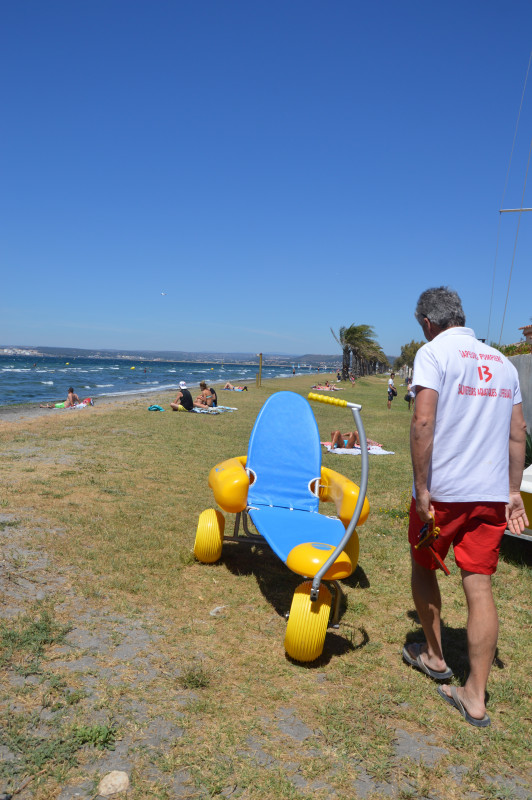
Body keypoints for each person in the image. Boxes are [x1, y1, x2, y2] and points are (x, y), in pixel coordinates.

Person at [404, 286, 528, 728]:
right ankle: (475, 695)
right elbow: (518, 433)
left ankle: (436, 657)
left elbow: (423, 420)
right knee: (479, 586)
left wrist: (423, 488)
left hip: (444, 493)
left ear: (427, 322)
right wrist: (513, 490)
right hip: (491, 492)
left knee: (424, 566)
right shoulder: (503, 362)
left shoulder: (434, 353)